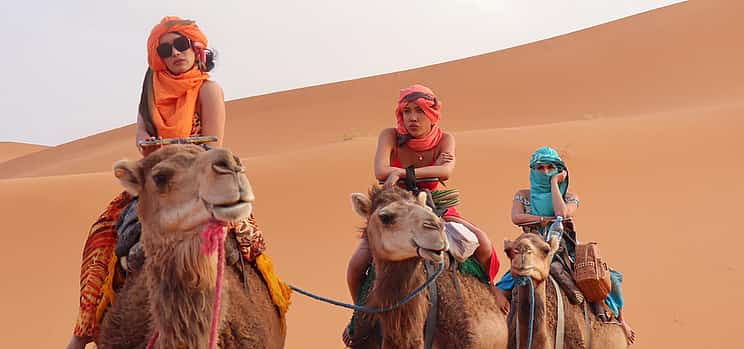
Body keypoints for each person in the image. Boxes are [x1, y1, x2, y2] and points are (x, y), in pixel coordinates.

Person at [65, 16, 265, 349]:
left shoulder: (208, 89)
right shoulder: (150, 91)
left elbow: (213, 145)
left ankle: (268, 309)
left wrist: (180, 151)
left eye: (181, 44)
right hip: (161, 181)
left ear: (196, 48)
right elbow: (142, 137)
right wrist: (156, 153)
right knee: (102, 237)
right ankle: (83, 330)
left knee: (249, 243)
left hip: (200, 177)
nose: (175, 53)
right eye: (166, 48)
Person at [342, 84, 501, 346]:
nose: (412, 118)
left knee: (482, 243)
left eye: (419, 111)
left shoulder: (445, 139)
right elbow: (381, 171)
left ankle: (491, 295)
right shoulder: (390, 135)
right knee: (357, 265)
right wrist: (408, 175)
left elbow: (445, 171)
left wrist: (403, 174)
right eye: (406, 111)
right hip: (397, 210)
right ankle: (360, 316)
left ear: (432, 114)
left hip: (435, 205)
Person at [496, 146, 635, 344]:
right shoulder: (523, 195)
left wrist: (554, 184)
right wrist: (544, 219)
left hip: (563, 248)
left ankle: (619, 319)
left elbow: (562, 212)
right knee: (502, 288)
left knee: (610, 280)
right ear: (532, 171)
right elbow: (516, 217)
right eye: (540, 168)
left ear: (559, 170)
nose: (544, 172)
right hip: (533, 250)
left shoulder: (570, 196)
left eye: (550, 168)